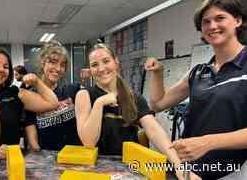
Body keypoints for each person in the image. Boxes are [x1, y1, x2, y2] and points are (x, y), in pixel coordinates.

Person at [144, 0, 247, 179]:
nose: (212, 26)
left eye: (220, 18)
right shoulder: (198, 72)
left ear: (238, 20)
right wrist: (158, 73)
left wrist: (208, 143)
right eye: (206, 22)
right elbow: (157, 103)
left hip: (233, 173)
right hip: (189, 172)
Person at [75, 43, 186, 179]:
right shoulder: (84, 95)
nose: (101, 68)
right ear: (91, 70)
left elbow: (154, 130)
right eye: (95, 65)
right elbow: (88, 142)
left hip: (130, 170)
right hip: (96, 171)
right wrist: (99, 103)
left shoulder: (134, 98)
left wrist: (178, 164)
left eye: (106, 61)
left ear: (116, 63)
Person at [25, 41, 84, 151]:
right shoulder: (31, 96)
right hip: (47, 159)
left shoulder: (72, 90)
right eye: (53, 62)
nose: (58, 68)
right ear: (42, 62)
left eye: (62, 65)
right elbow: (32, 140)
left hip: (74, 156)